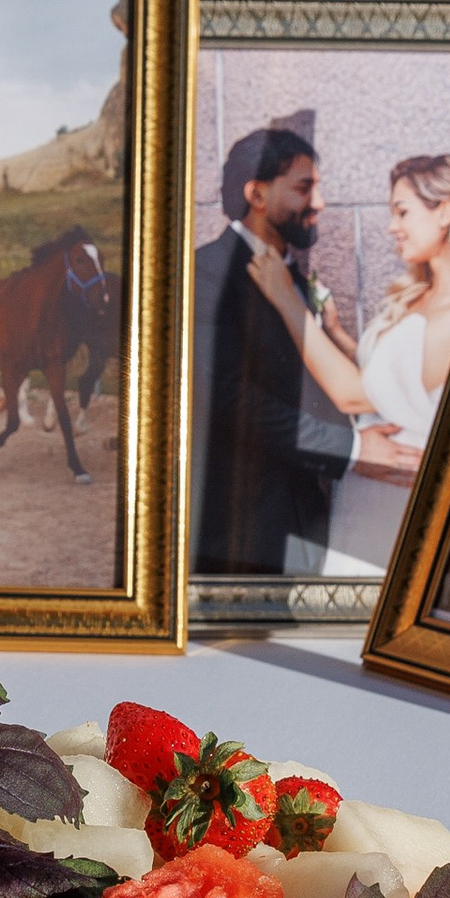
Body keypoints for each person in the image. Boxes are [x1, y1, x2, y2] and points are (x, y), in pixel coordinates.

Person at [242, 151, 450, 573]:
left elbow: (355, 395)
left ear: (445, 212)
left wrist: (285, 297)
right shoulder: (420, 295)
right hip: (366, 494)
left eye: (402, 212)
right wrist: (337, 334)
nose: (392, 227)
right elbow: (397, 378)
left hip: (399, 506)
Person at [190, 129, 357, 575]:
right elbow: (233, 400)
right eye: (305, 188)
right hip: (240, 541)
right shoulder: (204, 276)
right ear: (257, 194)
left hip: (308, 527)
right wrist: (353, 449)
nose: (318, 203)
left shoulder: (296, 282)